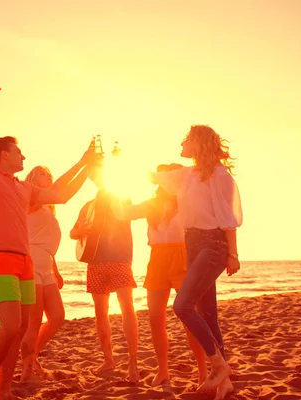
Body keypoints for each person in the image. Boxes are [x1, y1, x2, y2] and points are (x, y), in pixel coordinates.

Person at [0, 77, 95, 400]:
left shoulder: (24, 188)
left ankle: (5, 388)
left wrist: (84, 162)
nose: (24, 156)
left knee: (21, 329)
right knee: (10, 327)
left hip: (24, 262)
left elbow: (60, 193)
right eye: (18, 151)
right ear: (3, 155)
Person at [151, 125, 242, 399]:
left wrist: (233, 254)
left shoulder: (219, 175)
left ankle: (217, 364)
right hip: (192, 245)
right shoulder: (186, 175)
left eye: (188, 138)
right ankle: (224, 382)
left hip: (213, 245)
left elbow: (227, 218)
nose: (182, 142)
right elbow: (153, 177)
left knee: (182, 305)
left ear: (199, 143)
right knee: (208, 315)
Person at [123, 163, 207, 387]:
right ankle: (163, 371)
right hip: (157, 260)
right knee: (154, 318)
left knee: (190, 318)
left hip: (183, 257)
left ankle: (203, 371)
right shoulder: (152, 204)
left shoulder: (188, 201)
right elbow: (126, 213)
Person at [69, 164, 140, 382]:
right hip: (95, 262)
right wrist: (80, 231)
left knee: (127, 308)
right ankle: (108, 360)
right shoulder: (88, 206)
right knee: (101, 314)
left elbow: (130, 212)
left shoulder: (121, 198)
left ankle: (133, 364)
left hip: (119, 259)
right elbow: (73, 232)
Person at [19, 165, 78, 381]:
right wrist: (84, 165)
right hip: (32, 262)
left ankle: (31, 357)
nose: (49, 177)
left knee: (57, 316)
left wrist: (56, 270)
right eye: (44, 173)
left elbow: (47, 242)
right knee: (33, 322)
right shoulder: (31, 201)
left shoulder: (47, 209)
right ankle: (27, 371)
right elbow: (62, 189)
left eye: (50, 173)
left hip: (45, 264)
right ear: (34, 177)